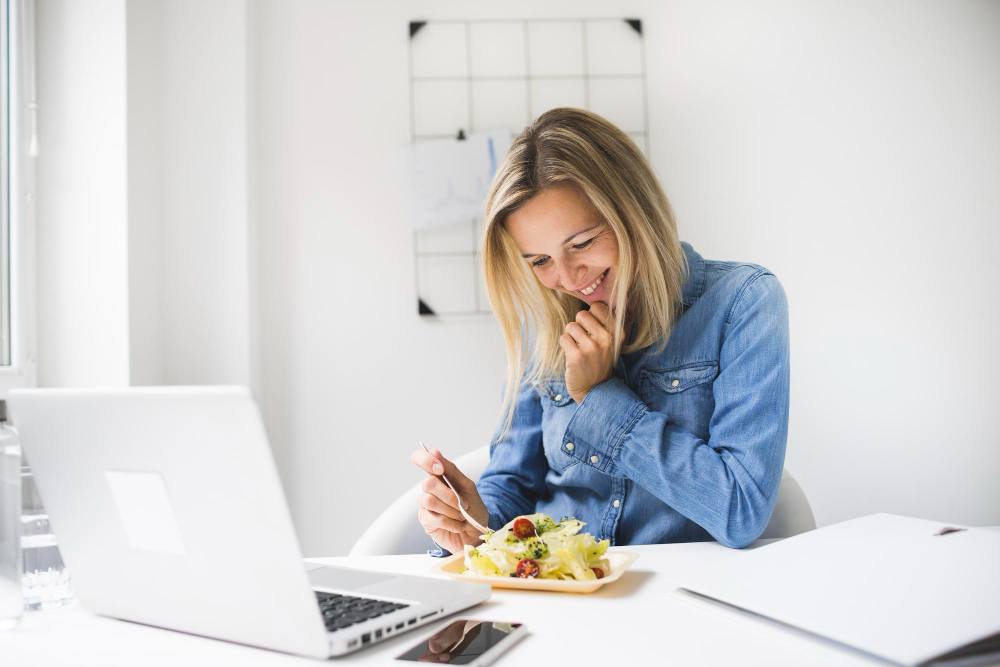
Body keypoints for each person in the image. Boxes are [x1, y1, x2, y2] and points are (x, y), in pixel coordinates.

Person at [411, 107, 789, 554]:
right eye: (540, 261)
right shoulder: (545, 322)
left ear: (635, 211)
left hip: (684, 603)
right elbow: (513, 486)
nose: (569, 278)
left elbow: (741, 510)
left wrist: (599, 396)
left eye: (582, 243)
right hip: (561, 604)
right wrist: (474, 521)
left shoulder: (743, 302)